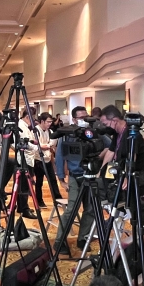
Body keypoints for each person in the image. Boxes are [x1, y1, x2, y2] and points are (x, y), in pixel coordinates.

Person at [54, 106, 95, 255]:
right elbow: (59, 157)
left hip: (91, 176)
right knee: (71, 210)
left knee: (90, 209)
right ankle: (60, 240)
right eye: (81, 117)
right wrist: (61, 179)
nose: (84, 120)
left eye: (86, 116)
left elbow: (107, 146)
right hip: (74, 176)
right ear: (74, 119)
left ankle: (83, 238)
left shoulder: (92, 132)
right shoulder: (67, 134)